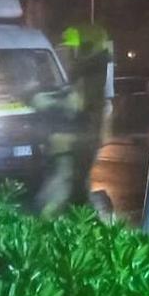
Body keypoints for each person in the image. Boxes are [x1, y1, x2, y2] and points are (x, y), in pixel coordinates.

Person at [32, 23, 113, 218]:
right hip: (74, 147)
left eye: (67, 50)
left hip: (72, 148)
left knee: (53, 199)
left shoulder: (90, 78)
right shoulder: (89, 75)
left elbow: (76, 105)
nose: (64, 55)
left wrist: (38, 99)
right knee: (75, 194)